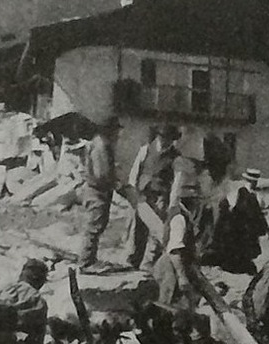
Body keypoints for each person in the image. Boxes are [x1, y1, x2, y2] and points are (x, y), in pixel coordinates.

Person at [125, 123, 179, 269]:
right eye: (162, 137)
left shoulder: (175, 157)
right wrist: (133, 192)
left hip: (161, 195)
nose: (164, 140)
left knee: (156, 228)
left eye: (168, 138)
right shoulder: (145, 150)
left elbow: (176, 182)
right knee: (138, 228)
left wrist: (173, 203)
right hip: (142, 194)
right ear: (158, 136)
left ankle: (150, 261)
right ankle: (133, 260)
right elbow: (134, 172)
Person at [78, 116, 120, 271]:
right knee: (94, 225)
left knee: (96, 225)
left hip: (96, 190)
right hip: (97, 191)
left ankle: (89, 259)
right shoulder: (101, 146)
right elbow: (101, 173)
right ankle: (86, 262)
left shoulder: (97, 143)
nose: (118, 134)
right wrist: (114, 181)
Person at [149, 191, 202, 313]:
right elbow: (175, 249)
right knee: (168, 305)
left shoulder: (184, 215)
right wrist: (181, 276)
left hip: (179, 264)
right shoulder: (179, 218)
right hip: (171, 266)